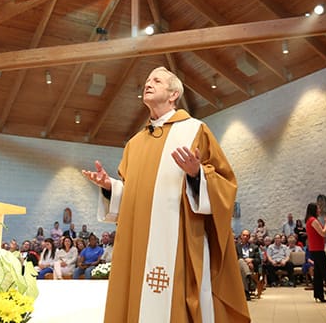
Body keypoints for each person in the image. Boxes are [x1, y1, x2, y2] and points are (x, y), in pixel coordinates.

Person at [81, 66, 250, 322]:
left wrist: (197, 175)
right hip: (140, 242)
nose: (148, 84)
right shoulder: (134, 144)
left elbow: (226, 184)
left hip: (180, 240)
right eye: (147, 80)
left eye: (156, 81)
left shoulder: (195, 130)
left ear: (173, 95)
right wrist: (110, 188)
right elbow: (134, 196)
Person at [305, 202, 326, 302]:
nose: (319, 210)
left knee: (318, 273)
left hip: (315, 248)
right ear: (314, 209)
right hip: (317, 249)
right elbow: (322, 233)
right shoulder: (313, 220)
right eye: (318, 208)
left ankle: (318, 295)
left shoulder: (310, 220)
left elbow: (320, 233)